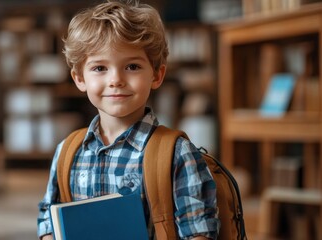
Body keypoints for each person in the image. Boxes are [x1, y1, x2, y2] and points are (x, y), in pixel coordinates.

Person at [37, 1, 220, 239]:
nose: (116, 80)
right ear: (79, 78)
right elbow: (48, 220)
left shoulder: (177, 153)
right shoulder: (67, 151)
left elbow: (199, 231)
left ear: (156, 75)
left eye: (132, 66)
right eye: (100, 68)